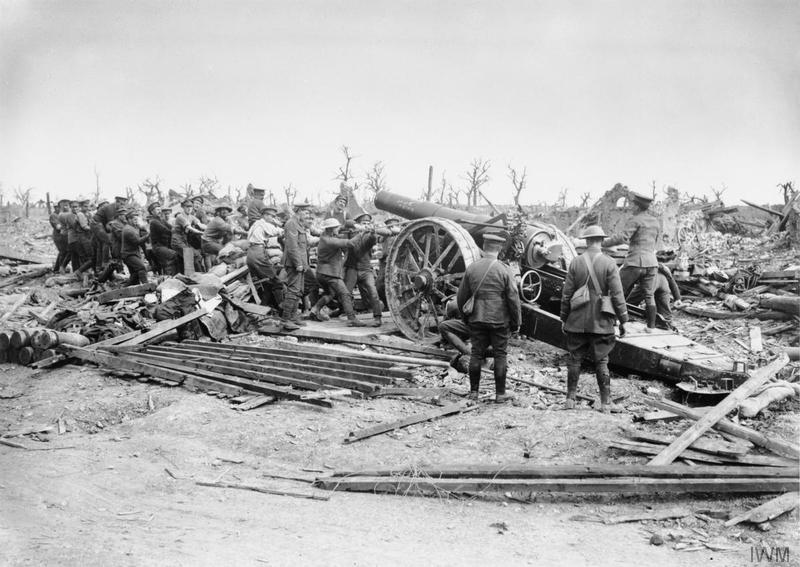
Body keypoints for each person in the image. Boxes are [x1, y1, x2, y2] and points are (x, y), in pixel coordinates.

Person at [560, 225, 629, 412]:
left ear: (587, 241)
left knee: (574, 359)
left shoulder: (576, 262)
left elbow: (566, 294)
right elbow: (617, 295)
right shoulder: (609, 263)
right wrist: (624, 320)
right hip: (601, 321)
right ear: (601, 241)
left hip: (577, 320)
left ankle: (570, 400)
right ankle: (605, 403)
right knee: (602, 361)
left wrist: (564, 317)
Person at [456, 232, 521, 403]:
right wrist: (516, 322)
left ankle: (474, 393)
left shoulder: (472, 268)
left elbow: (461, 297)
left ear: (484, 247)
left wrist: (465, 318)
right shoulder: (504, 269)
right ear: (499, 249)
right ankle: (500, 394)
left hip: (476, 318)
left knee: (476, 354)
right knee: (500, 355)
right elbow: (513, 298)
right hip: (499, 320)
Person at [602, 190, 660, 332]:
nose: (631, 207)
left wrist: (603, 243)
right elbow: (652, 240)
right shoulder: (655, 222)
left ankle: (613, 321)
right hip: (652, 263)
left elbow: (623, 237)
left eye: (632, 205)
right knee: (649, 295)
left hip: (635, 262)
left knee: (617, 290)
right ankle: (651, 327)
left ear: (637, 206)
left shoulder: (635, 219)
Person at [310, 218, 366, 327]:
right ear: (330, 229)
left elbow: (342, 230)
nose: (338, 229)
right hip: (330, 274)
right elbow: (350, 243)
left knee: (330, 294)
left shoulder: (324, 236)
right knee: (345, 294)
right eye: (336, 228)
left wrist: (351, 228)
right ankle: (352, 319)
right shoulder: (330, 241)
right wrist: (362, 233)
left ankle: (314, 310)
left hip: (321, 273)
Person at [343, 213, 383, 327]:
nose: (366, 225)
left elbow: (372, 239)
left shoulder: (370, 235)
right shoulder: (351, 233)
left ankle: (378, 318)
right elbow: (346, 223)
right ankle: (351, 318)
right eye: (363, 223)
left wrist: (372, 232)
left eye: (368, 223)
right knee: (346, 293)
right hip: (352, 268)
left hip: (366, 269)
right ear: (358, 224)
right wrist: (356, 226)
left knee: (373, 292)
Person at [279, 202, 313, 330]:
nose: (307, 215)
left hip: (300, 263)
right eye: (305, 212)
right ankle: (285, 319)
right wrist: (298, 263)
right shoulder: (291, 224)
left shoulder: (298, 224)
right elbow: (292, 246)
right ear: (298, 211)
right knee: (293, 290)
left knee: (298, 290)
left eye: (308, 212)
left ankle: (293, 317)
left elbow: (302, 247)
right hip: (294, 263)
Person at [246, 205, 285, 308]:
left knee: (267, 282)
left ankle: (264, 307)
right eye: (272, 216)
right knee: (277, 281)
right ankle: (282, 308)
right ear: (265, 215)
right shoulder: (263, 224)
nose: (273, 219)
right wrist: (280, 224)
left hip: (251, 253)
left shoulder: (256, 224)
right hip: (258, 254)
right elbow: (280, 232)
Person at [627, 263, 682, 328]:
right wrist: (677, 298)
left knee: (629, 305)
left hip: (649, 281)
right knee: (665, 312)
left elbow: (627, 284)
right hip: (664, 284)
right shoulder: (663, 267)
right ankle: (666, 322)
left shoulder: (639, 264)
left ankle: (629, 315)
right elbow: (672, 281)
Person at [171, 199, 204, 274]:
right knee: (189, 254)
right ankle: (193, 275)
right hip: (177, 241)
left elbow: (200, 225)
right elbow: (189, 228)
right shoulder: (180, 216)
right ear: (183, 207)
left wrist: (209, 229)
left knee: (197, 255)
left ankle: (195, 275)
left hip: (184, 241)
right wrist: (201, 232)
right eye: (187, 207)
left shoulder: (191, 217)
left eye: (191, 207)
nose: (189, 208)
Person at [120, 209, 150, 286]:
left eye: (137, 219)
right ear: (129, 220)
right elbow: (138, 241)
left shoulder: (132, 227)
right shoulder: (128, 230)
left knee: (135, 275)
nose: (136, 221)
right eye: (134, 219)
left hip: (131, 254)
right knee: (141, 268)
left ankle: (125, 287)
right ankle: (146, 286)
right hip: (129, 255)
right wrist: (148, 235)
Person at [148, 202, 177, 275]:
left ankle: (171, 275)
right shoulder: (153, 222)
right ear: (152, 212)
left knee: (176, 256)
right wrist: (175, 231)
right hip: (158, 247)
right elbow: (165, 230)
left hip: (164, 245)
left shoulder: (161, 220)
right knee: (174, 255)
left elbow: (170, 227)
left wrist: (177, 228)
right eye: (157, 210)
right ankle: (169, 275)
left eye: (159, 209)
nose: (159, 211)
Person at [376, 217, 401, 303]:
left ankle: (395, 303)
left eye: (393, 224)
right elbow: (379, 239)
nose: (391, 226)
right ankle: (386, 303)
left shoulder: (400, 234)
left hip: (397, 262)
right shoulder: (384, 235)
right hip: (384, 262)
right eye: (389, 225)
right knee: (379, 285)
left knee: (394, 284)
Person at [49, 199, 71, 273]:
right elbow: (58, 227)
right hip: (58, 237)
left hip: (65, 236)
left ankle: (57, 268)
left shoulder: (64, 214)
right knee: (63, 252)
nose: (58, 208)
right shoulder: (53, 215)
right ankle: (59, 269)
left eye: (58, 207)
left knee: (65, 252)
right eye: (56, 207)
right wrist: (67, 225)